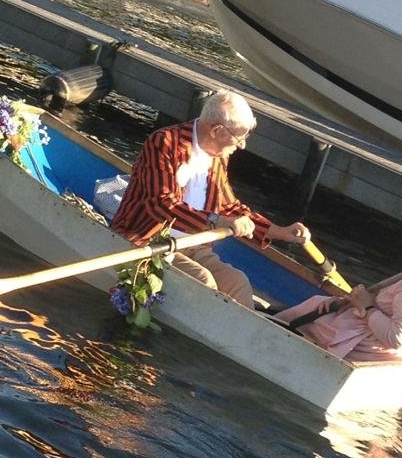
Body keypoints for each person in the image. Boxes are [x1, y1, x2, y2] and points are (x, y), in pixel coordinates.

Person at [111, 90, 310, 308]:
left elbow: (228, 206)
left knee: (238, 282)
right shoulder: (164, 143)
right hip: (150, 239)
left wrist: (279, 231)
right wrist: (216, 221)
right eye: (239, 137)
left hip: (194, 245)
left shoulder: (218, 155)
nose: (242, 145)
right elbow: (161, 205)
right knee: (203, 281)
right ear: (216, 130)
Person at [274, 194, 402, 361]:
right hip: (389, 346)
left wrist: (366, 306)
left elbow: (399, 338)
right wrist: (355, 302)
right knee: (321, 303)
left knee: (312, 311)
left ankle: (269, 330)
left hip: (364, 351)